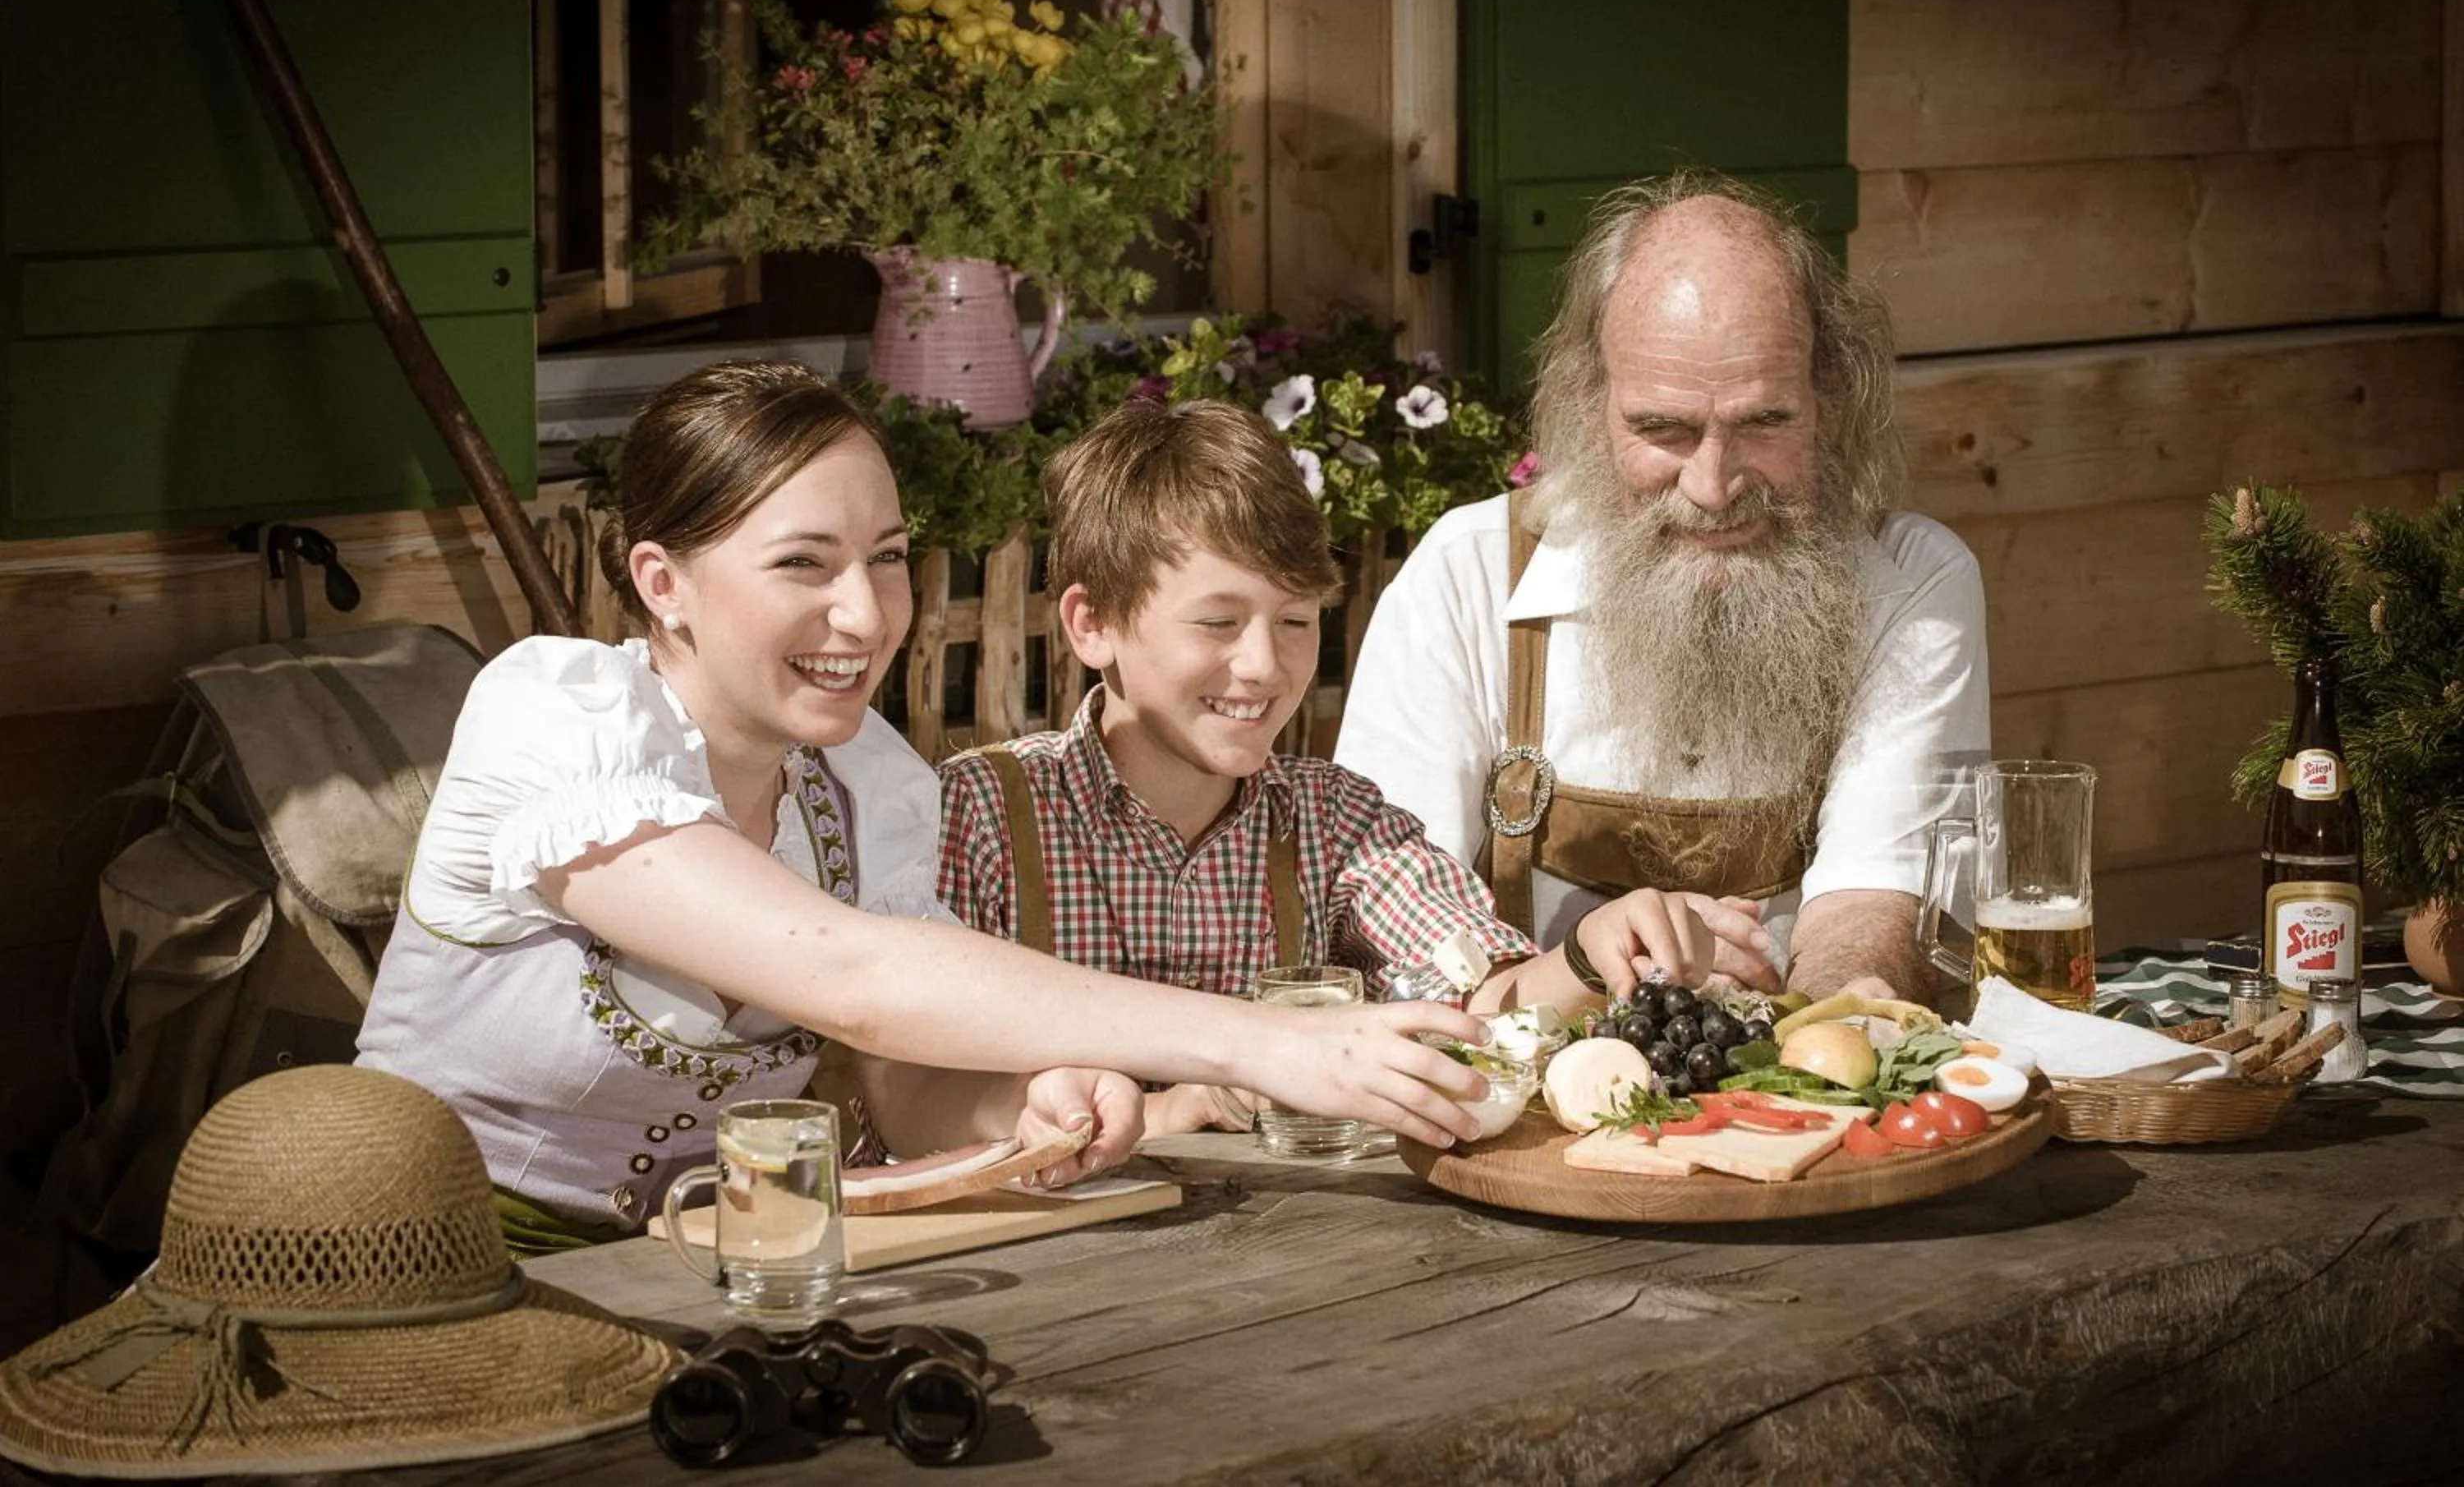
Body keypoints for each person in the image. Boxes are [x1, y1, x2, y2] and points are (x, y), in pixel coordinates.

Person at [357, 361, 1486, 1251]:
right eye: (806, 564)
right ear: (663, 583)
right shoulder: (554, 719)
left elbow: (910, 1082)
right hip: (420, 1259)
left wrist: (1031, 1105)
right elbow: (854, 978)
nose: (865, 613)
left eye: (887, 558)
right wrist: (1267, 1049)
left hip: (717, 1258)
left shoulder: (867, 786)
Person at [937, 400, 1721, 1137]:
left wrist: (1590, 948)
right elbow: (908, 1085)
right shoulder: (983, 812)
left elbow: (1482, 1005)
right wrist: (1181, 1106)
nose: (1262, 666)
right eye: (1217, 622)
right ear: (1093, 624)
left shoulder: (1337, 823)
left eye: (1295, 621)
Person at [1333, 172, 1991, 1004]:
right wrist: (1590, 973)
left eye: (1764, 422)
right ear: (1587, 405)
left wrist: (1823, 1045)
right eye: (1663, 429)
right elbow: (1386, 912)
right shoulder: (1465, 577)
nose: (1713, 487)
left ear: (1831, 396)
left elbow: (1875, 898)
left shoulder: (1911, 584)